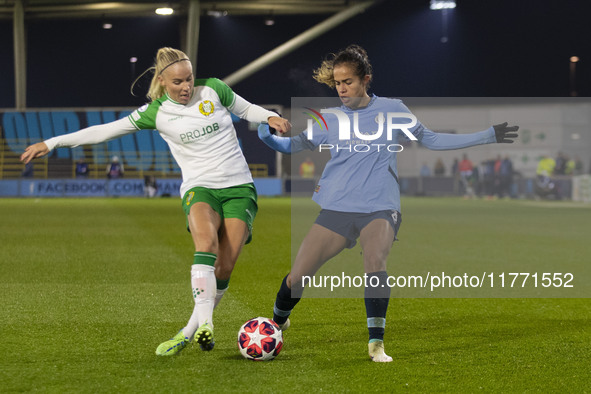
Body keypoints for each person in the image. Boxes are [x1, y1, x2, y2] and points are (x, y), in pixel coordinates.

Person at [20, 47, 291, 356]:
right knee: (206, 245)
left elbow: (246, 109)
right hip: (199, 188)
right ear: (162, 80)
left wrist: (270, 116)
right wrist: (51, 142)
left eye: (189, 79)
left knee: (225, 268)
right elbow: (104, 132)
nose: (186, 87)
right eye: (177, 82)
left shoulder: (213, 88)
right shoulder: (156, 113)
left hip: (239, 188)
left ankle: (189, 330)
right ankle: (207, 324)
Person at [257, 44, 518, 363]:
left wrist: (488, 135)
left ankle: (376, 344)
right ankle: (277, 321)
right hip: (337, 206)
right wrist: (268, 137)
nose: (341, 89)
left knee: (375, 263)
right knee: (298, 277)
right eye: (337, 83)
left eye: (348, 82)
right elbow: (292, 145)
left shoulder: (393, 110)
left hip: (380, 205)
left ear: (365, 79)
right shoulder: (330, 119)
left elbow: (431, 139)